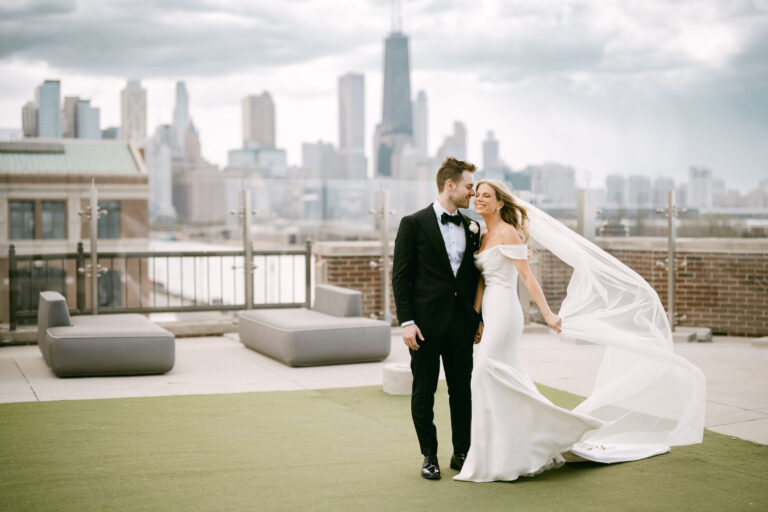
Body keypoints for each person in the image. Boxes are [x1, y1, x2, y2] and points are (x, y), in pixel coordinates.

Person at [454, 179, 706, 482]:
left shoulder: (507, 232)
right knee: (499, 378)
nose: (479, 199)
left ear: (499, 203)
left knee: (484, 374)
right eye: (477, 195)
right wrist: (476, 317)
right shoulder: (483, 234)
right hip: (491, 311)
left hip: (507, 311)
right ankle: (506, 452)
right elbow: (482, 279)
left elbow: (527, 278)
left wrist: (548, 314)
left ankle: (536, 439)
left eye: (486, 196)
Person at [392, 157, 484, 480]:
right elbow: (400, 278)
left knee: (462, 391)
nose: (473, 192)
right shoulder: (413, 224)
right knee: (424, 391)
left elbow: (477, 276)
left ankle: (462, 452)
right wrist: (406, 322)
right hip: (424, 327)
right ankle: (428, 455)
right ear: (450, 185)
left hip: (461, 325)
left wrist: (478, 318)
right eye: (469, 186)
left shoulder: (474, 227)